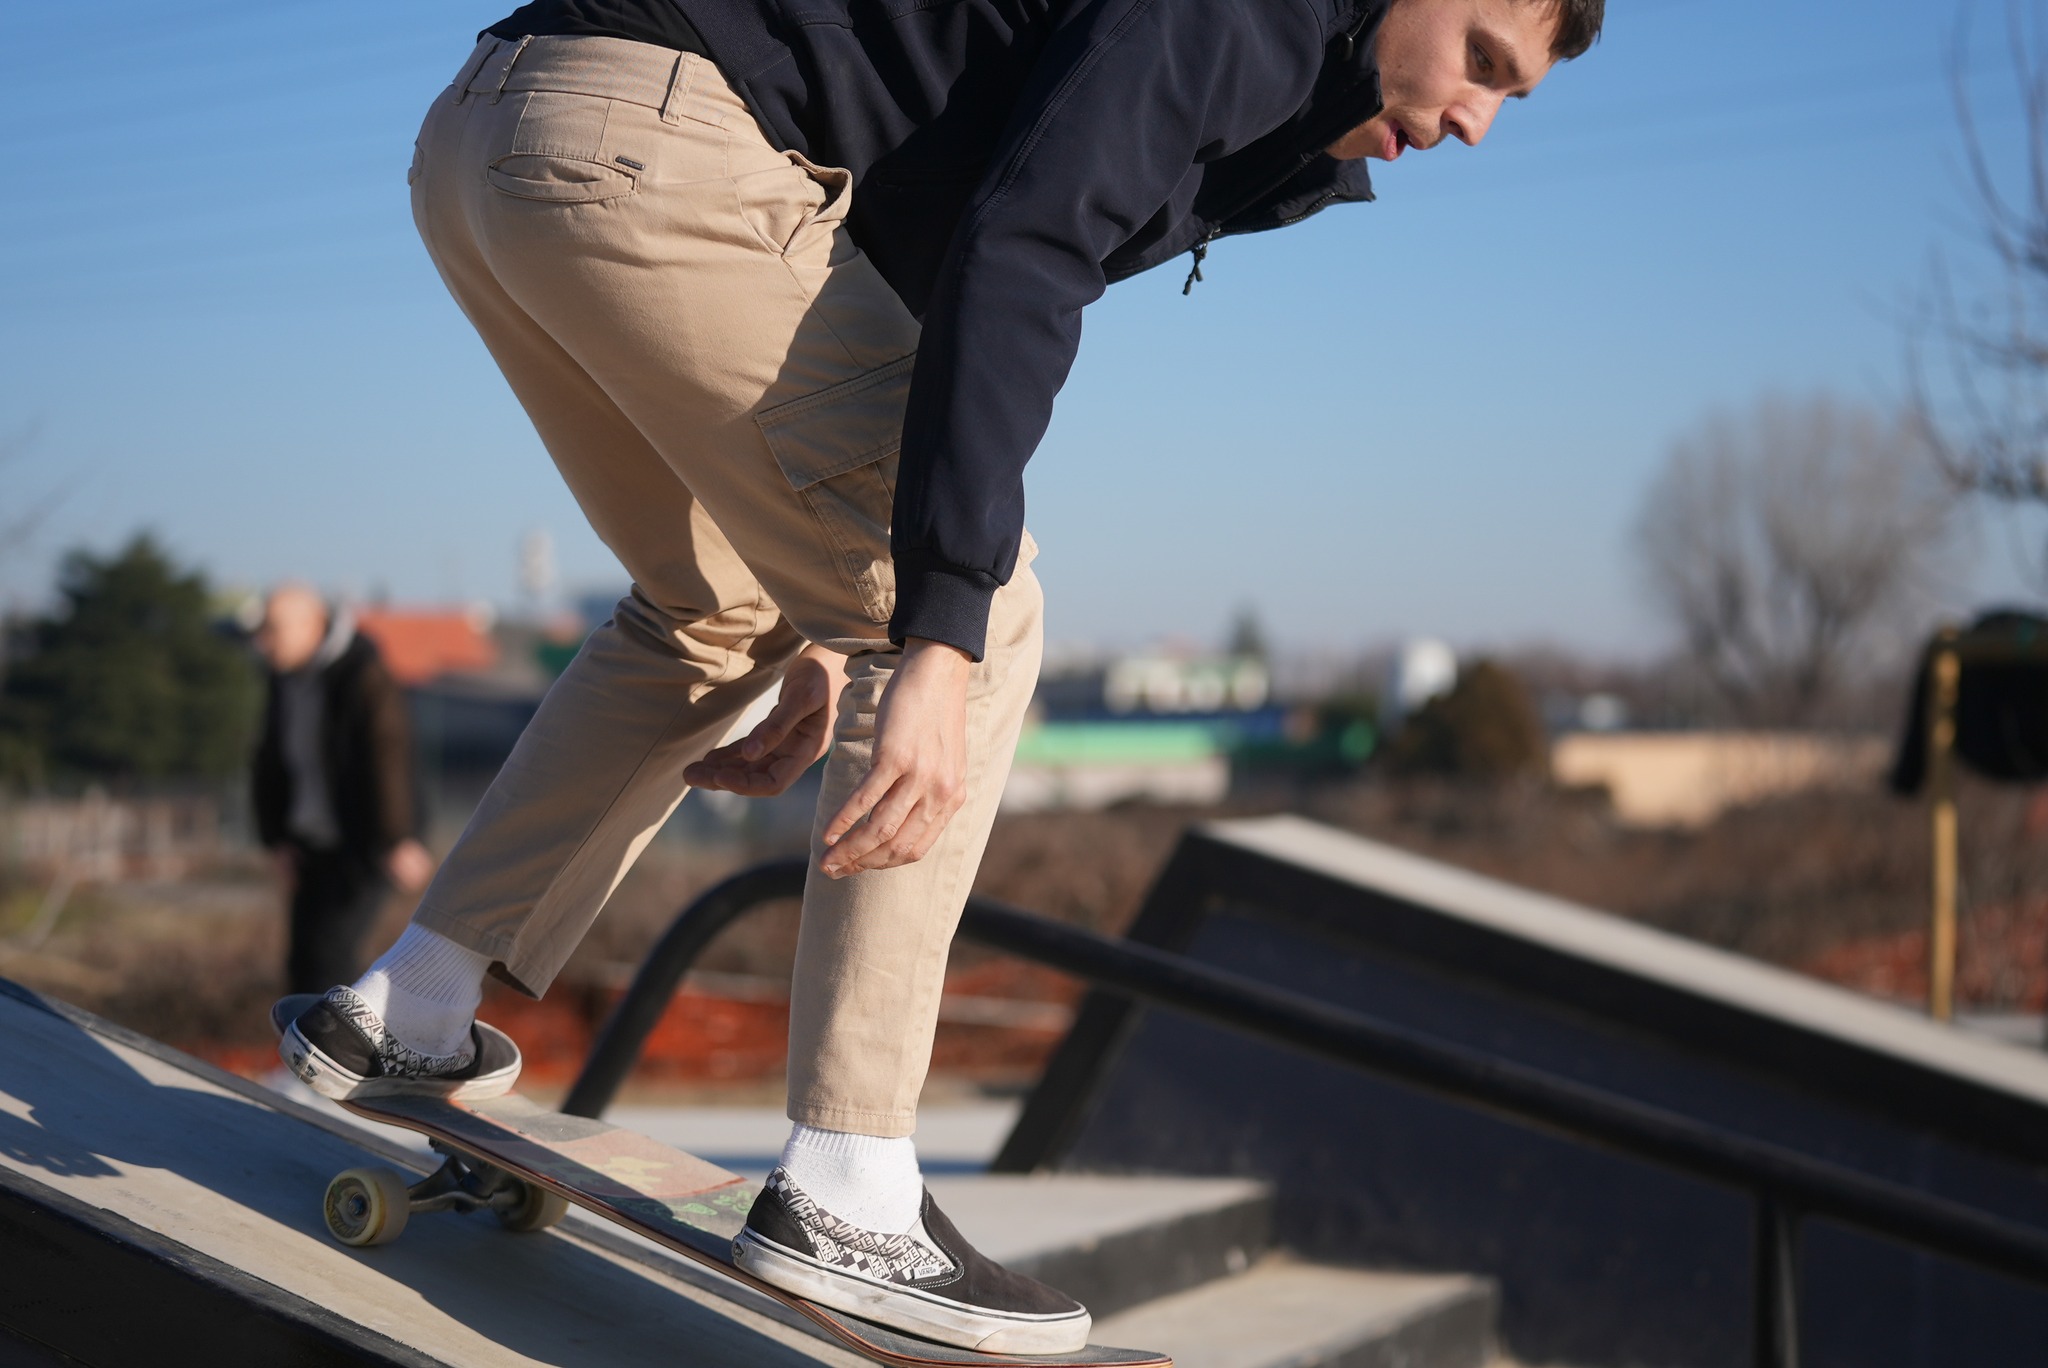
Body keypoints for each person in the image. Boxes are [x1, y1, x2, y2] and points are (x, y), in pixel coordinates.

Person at [275, 0, 1602, 1351]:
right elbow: (1022, 250)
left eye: (1515, 97)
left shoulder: (1284, 89)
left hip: (497, 138)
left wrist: (829, 608)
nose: (1474, 120)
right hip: (653, 150)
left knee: (712, 606)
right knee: (989, 617)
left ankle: (411, 1008)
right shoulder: (1248, 15)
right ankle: (847, 1184)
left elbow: (900, 269)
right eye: (1482, 58)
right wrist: (931, 622)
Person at [253, 585, 436, 996]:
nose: (262, 641)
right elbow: (269, 758)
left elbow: (388, 750)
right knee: (302, 960)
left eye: (273, 629)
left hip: (364, 843)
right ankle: (297, 1056)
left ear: (311, 626)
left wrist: (398, 837)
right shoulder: (282, 679)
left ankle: (334, 1057)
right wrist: (276, 838)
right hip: (309, 844)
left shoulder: (362, 672)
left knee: (332, 956)